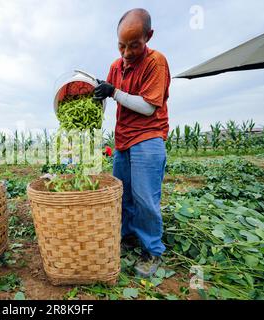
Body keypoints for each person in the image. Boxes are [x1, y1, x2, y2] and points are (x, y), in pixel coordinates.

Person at [93, 8, 170, 277]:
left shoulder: (155, 63)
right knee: (121, 194)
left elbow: (148, 107)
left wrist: (113, 91)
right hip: (123, 139)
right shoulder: (116, 66)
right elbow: (109, 95)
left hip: (148, 137)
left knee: (145, 198)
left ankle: (152, 251)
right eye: (121, 45)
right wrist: (96, 94)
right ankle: (126, 237)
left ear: (149, 36)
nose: (126, 53)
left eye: (134, 45)